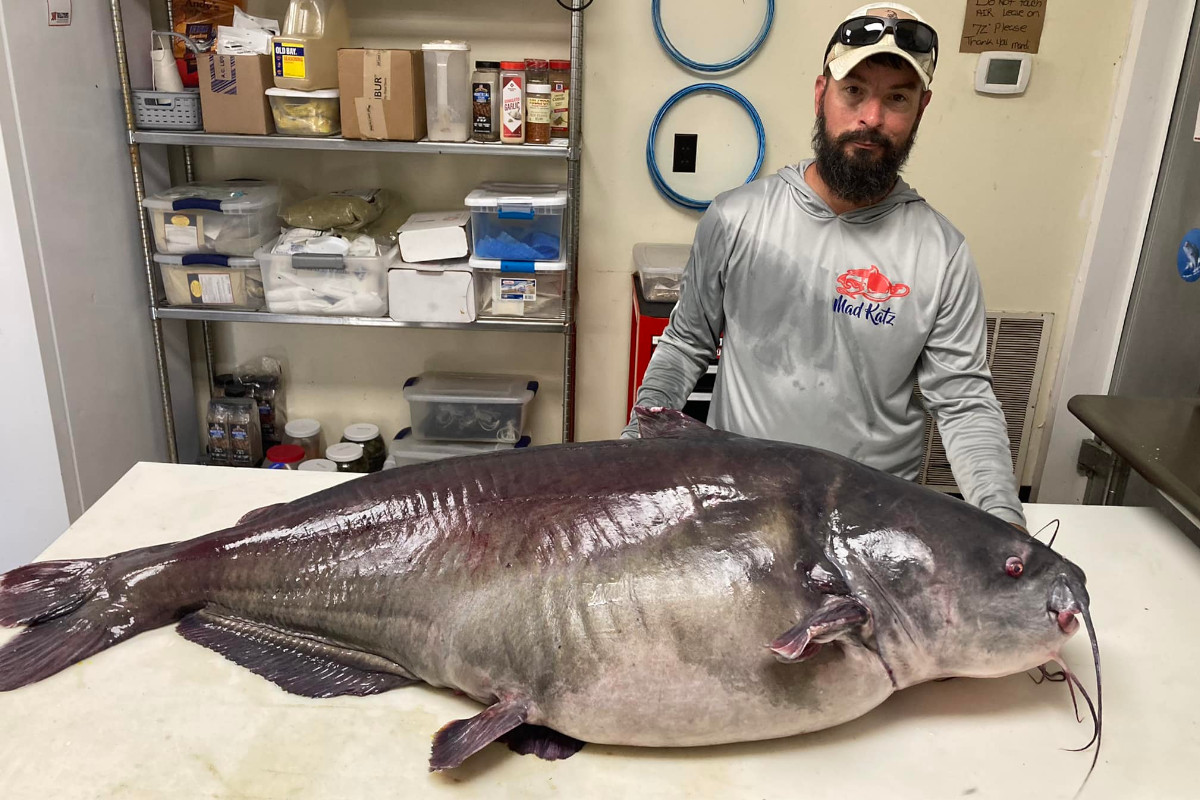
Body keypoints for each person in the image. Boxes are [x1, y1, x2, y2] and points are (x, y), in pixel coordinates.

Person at [623, 2, 1026, 529]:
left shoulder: (940, 252)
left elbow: (965, 401)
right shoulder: (736, 218)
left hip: (872, 522)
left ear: (921, 109)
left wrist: (1002, 516)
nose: (872, 118)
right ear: (821, 94)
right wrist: (634, 449)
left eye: (896, 98)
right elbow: (686, 343)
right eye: (853, 90)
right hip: (742, 505)